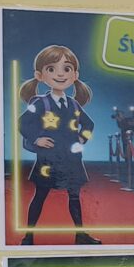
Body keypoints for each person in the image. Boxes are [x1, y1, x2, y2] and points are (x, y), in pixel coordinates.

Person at [17, 43, 100, 246]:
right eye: (52, 69)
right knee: (40, 196)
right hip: (49, 160)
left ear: (75, 75)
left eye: (67, 68)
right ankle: (28, 237)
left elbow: (89, 124)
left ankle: (80, 236)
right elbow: (23, 123)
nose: (60, 74)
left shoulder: (73, 104)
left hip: (71, 160)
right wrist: (36, 139)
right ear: (40, 75)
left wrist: (82, 139)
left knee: (74, 198)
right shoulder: (40, 103)